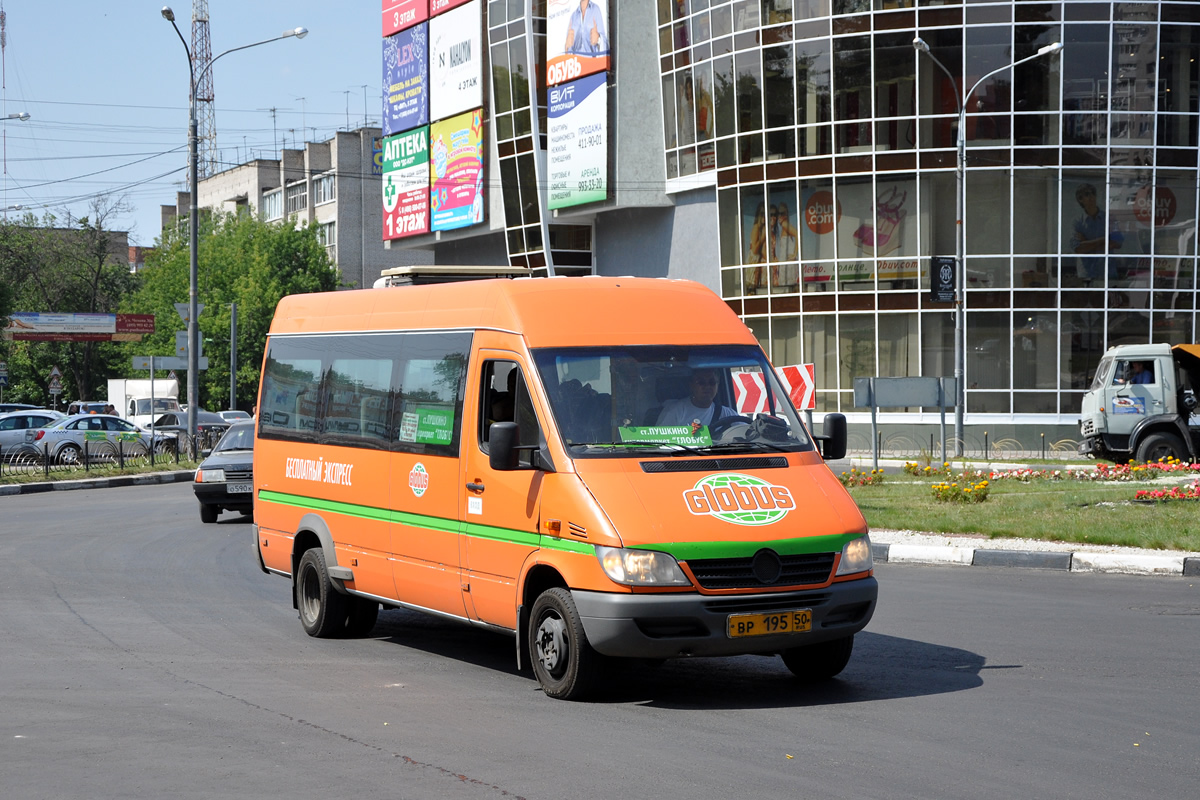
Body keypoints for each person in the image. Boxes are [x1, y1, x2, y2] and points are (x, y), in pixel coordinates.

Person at [1070, 183, 1123, 284]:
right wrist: (1105, 239)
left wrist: (1086, 242)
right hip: (1087, 275)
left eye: (1093, 193)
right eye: (1087, 194)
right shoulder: (1077, 222)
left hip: (1108, 274)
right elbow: (1078, 248)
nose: (1091, 197)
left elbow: (1117, 243)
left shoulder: (1109, 218)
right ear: (1080, 199)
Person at [656, 369, 736, 430]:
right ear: (692, 386)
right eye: (701, 382)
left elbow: (745, 433)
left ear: (717, 386)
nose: (707, 387)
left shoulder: (728, 414)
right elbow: (661, 441)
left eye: (712, 382)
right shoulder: (675, 411)